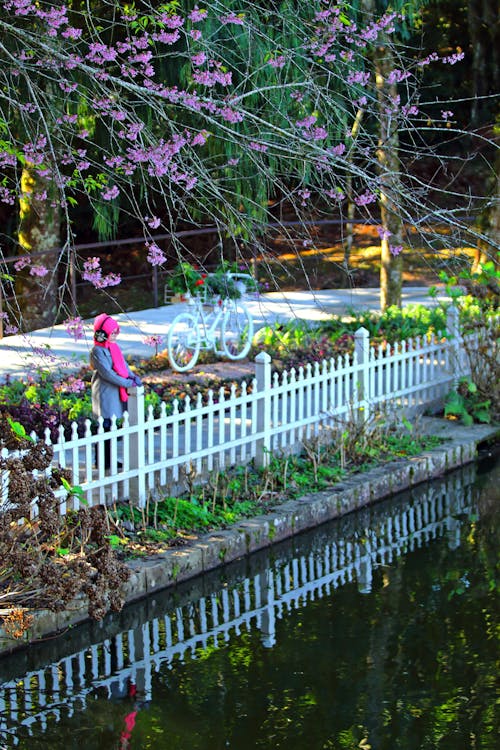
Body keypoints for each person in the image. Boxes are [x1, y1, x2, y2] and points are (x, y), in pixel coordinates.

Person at [90, 313, 142, 469]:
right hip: (105, 393)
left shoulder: (114, 348)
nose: (114, 336)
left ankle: (110, 459)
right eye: (111, 333)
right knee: (104, 426)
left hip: (115, 393)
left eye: (115, 333)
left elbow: (123, 366)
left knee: (112, 428)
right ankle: (102, 460)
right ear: (102, 333)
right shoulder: (97, 351)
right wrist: (127, 383)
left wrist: (133, 377)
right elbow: (107, 373)